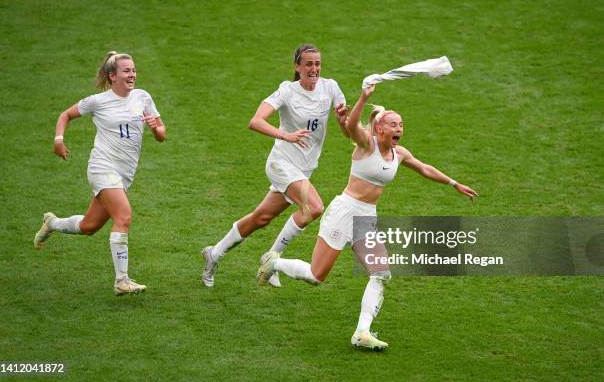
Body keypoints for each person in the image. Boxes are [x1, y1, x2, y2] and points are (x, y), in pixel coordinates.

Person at [257, 84, 478, 350]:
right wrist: (364, 97)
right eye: (393, 124)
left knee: (382, 272)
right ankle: (274, 262)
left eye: (401, 125)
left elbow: (424, 168)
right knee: (316, 276)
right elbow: (351, 125)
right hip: (344, 212)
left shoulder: (399, 153)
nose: (399, 129)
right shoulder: (365, 144)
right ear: (380, 129)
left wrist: (454, 183)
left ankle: (361, 333)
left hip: (366, 217)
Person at [201, 44, 349, 288]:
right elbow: (256, 121)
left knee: (261, 218)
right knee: (314, 207)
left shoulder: (330, 87)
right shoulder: (287, 91)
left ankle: (213, 254)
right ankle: (272, 260)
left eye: (318, 64)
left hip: (304, 169)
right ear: (297, 67)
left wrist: (344, 121)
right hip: (281, 163)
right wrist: (285, 135)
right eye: (309, 64)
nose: (314, 69)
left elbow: (347, 131)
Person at [33, 51, 167, 296]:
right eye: (127, 71)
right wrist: (58, 139)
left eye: (134, 70)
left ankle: (51, 223)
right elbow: (66, 115)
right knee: (124, 216)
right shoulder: (98, 101)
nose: (132, 74)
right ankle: (122, 281)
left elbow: (161, 134)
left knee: (89, 226)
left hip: (125, 174)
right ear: (112, 76)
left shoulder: (143, 97)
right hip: (102, 167)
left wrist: (156, 129)